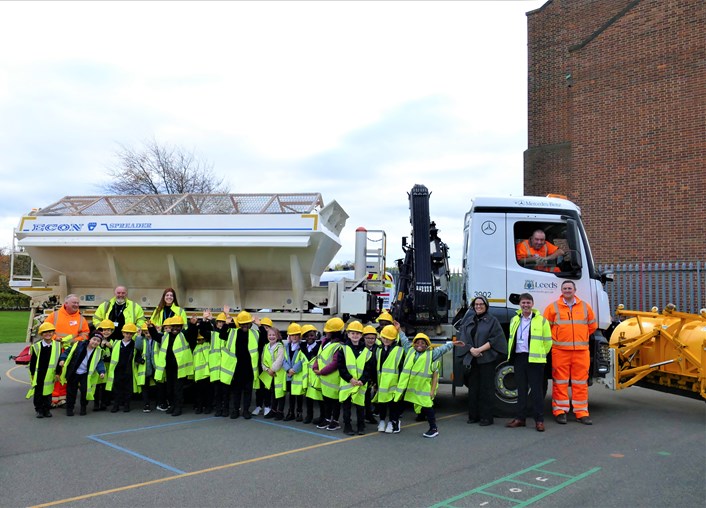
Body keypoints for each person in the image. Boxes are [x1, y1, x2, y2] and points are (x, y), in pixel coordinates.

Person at [544, 280, 597, 425]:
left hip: (581, 351)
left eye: (570, 288)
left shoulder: (585, 307)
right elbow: (546, 327)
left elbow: (592, 326)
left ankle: (581, 412)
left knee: (580, 383)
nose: (567, 290)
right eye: (565, 288)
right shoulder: (553, 307)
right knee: (560, 382)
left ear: (575, 290)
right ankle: (560, 411)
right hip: (560, 351)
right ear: (562, 290)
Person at [397, 333, 464, 438]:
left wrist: (453, 343)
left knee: (428, 407)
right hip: (409, 387)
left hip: (422, 388)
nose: (420, 345)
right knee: (399, 404)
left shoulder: (431, 354)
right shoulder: (410, 351)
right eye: (417, 342)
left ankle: (433, 428)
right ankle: (394, 423)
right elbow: (404, 340)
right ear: (414, 344)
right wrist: (399, 330)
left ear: (427, 345)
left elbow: (442, 349)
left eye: (423, 343)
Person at [457, 295, 507, 426]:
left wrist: (479, 349)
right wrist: (471, 349)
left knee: (486, 389)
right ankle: (474, 416)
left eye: (481, 304)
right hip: (472, 359)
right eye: (476, 304)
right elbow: (462, 337)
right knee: (473, 389)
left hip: (487, 359)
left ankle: (486, 417)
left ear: (486, 306)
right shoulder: (468, 320)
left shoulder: (492, 321)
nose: (478, 306)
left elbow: (496, 339)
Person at [505, 293, 553, 432]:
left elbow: (548, 341)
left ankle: (539, 420)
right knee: (521, 390)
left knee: (537, 391)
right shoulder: (514, 319)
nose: (525, 305)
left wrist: (541, 354)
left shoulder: (541, 320)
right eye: (523, 303)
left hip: (535, 360)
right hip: (519, 358)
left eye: (528, 303)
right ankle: (520, 418)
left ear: (532, 304)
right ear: (520, 304)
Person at [44, 294, 90, 408]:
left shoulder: (81, 319)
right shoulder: (54, 316)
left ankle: (62, 399)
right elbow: (45, 329)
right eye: (74, 303)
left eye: (77, 303)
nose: (76, 305)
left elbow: (85, 334)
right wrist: (55, 338)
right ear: (66, 304)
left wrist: (75, 341)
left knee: (66, 374)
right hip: (55, 349)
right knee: (53, 374)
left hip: (71, 351)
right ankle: (52, 399)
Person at [220, 310, 262, 420]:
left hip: (249, 369)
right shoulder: (233, 332)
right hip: (236, 368)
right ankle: (235, 410)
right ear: (239, 323)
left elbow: (264, 339)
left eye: (247, 323)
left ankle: (246, 411)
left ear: (250, 324)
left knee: (248, 392)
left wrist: (260, 325)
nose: (245, 325)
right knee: (236, 392)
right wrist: (226, 324)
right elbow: (222, 336)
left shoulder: (255, 333)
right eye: (243, 323)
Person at [151, 315, 196, 416]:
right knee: (169, 389)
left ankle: (178, 408)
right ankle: (172, 406)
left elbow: (192, 333)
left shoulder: (184, 335)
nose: (175, 328)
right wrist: (150, 327)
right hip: (169, 368)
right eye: (173, 326)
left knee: (177, 389)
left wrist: (192, 324)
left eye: (178, 326)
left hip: (179, 368)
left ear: (181, 327)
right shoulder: (165, 336)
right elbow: (155, 336)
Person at [337, 321, 375, 435]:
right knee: (347, 407)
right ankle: (347, 426)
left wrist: (362, 380)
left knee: (360, 406)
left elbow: (368, 369)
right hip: (348, 383)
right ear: (348, 334)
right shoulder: (343, 349)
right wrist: (350, 379)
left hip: (360, 384)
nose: (355, 336)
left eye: (357, 333)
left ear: (361, 335)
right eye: (352, 333)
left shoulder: (367, 352)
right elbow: (341, 366)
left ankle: (361, 426)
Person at [60, 333, 106, 416]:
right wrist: (63, 359)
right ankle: (70, 408)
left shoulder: (99, 351)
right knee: (71, 391)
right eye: (94, 339)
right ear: (89, 339)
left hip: (85, 373)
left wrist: (101, 371)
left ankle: (83, 407)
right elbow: (67, 352)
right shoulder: (79, 345)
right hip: (74, 371)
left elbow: (99, 362)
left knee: (85, 391)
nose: (95, 342)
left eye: (98, 341)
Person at [373, 324, 408, 434]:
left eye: (389, 338)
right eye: (384, 337)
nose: (386, 340)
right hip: (381, 383)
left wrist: (401, 384)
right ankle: (382, 421)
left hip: (394, 383)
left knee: (394, 405)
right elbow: (376, 366)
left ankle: (393, 422)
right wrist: (374, 382)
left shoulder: (399, 350)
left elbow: (402, 368)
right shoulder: (378, 350)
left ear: (394, 338)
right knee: (382, 403)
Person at [27, 322, 62, 418]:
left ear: (53, 333)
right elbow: (33, 362)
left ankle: (47, 409)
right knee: (38, 393)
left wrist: (58, 373)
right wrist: (33, 374)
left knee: (48, 392)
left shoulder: (58, 346)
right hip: (39, 374)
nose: (48, 334)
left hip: (51, 374)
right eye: (45, 332)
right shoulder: (37, 346)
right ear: (41, 334)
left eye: (50, 332)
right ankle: (39, 410)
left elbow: (59, 361)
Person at [105, 323, 139, 413]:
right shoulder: (117, 343)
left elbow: (137, 354)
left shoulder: (134, 344)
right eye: (126, 333)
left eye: (131, 334)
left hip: (128, 369)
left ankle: (126, 405)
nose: (128, 335)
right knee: (117, 388)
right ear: (123, 333)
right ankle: (116, 405)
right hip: (118, 369)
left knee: (128, 388)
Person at [135, 321, 165, 412]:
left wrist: (158, 332)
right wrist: (139, 336)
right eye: (146, 332)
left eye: (149, 332)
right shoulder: (143, 340)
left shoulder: (156, 339)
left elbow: (162, 342)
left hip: (155, 366)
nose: (148, 334)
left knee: (159, 386)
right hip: (146, 367)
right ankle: (146, 404)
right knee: (145, 387)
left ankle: (159, 403)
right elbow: (138, 347)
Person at [259, 327, 286, 420]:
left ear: (278, 336)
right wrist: (267, 370)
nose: (271, 337)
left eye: (273, 335)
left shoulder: (280, 347)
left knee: (280, 393)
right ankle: (273, 410)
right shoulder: (266, 346)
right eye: (269, 335)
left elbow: (280, 360)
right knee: (273, 392)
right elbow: (263, 360)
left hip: (278, 373)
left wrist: (272, 370)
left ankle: (280, 412)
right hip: (270, 374)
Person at [282, 323, 306, 422]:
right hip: (289, 374)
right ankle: (291, 412)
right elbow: (284, 359)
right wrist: (288, 369)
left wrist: (294, 370)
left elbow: (302, 360)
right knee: (291, 395)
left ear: (300, 336)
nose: (294, 337)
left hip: (297, 375)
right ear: (289, 336)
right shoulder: (287, 346)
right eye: (292, 335)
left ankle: (299, 412)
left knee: (299, 395)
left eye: (296, 335)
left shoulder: (302, 346)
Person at [301, 324, 324, 425]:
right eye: (307, 336)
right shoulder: (302, 347)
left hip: (317, 376)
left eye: (312, 335)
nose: (310, 338)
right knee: (308, 398)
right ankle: (309, 416)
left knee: (320, 399)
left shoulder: (320, 347)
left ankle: (323, 417)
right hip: (307, 377)